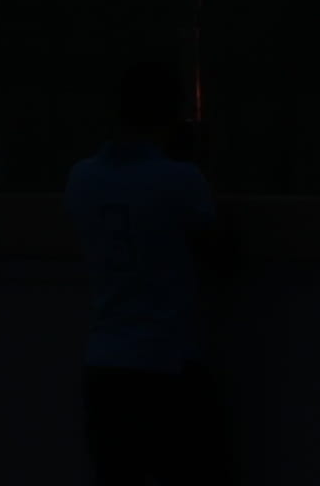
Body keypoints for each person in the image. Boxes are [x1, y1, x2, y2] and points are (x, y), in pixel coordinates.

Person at [64, 63, 232, 483]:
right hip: (168, 367)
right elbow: (222, 255)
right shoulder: (180, 179)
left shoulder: (81, 178)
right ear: (172, 116)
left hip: (105, 365)